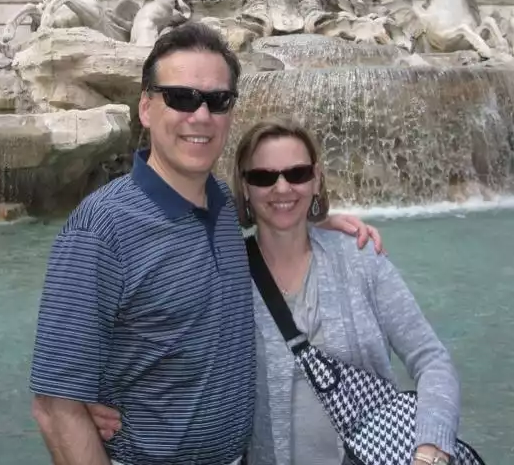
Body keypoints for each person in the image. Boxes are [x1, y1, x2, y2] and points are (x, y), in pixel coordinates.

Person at [30, 23, 382, 465]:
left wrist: (313, 220)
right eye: (181, 97)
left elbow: (270, 216)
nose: (200, 116)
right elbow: (55, 405)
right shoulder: (100, 230)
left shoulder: (221, 204)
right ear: (145, 108)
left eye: (218, 101)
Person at [235, 119, 459, 465]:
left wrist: (431, 450)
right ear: (245, 186)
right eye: (264, 177)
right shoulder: (227, 274)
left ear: (316, 179)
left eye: (297, 174)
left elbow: (432, 359)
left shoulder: (359, 257)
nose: (282, 188)